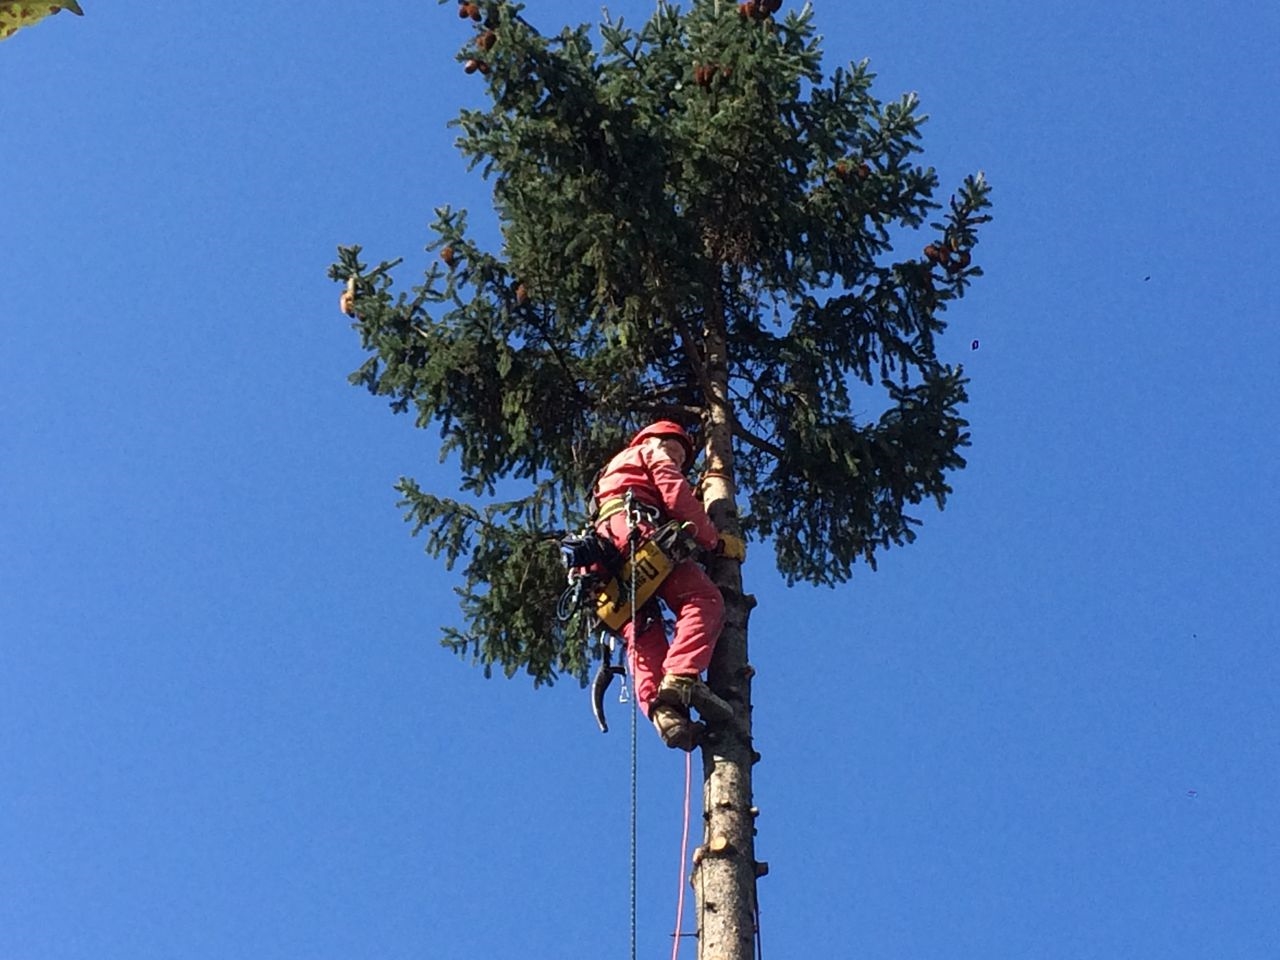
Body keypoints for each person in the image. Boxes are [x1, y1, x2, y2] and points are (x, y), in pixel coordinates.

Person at [593, 421, 742, 750]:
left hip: (607, 554)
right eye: (672, 449)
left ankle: (664, 712)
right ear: (653, 441)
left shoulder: (610, 476)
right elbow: (673, 491)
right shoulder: (649, 452)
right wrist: (714, 542)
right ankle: (682, 676)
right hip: (635, 532)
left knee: (641, 629)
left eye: (680, 455)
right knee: (703, 599)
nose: (675, 458)